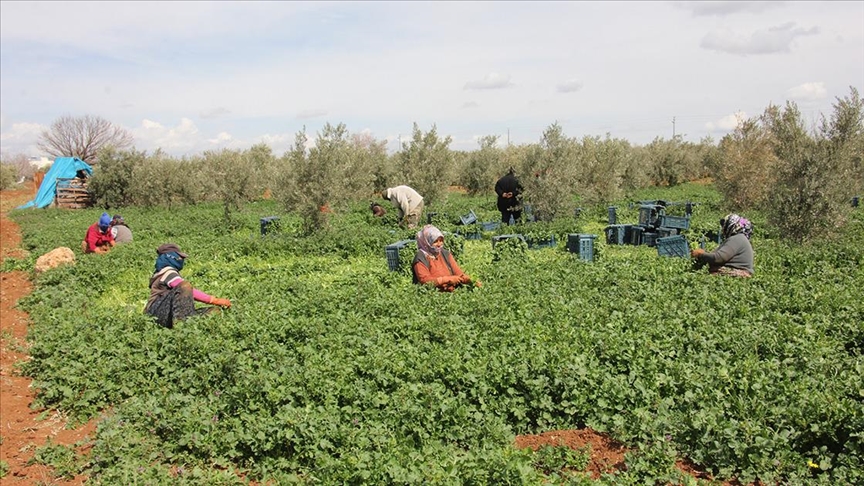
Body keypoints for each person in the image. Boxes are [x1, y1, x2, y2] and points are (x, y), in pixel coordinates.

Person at [144, 243, 232, 328]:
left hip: (165, 314)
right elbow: (185, 289)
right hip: (156, 313)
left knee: (214, 311)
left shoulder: (163, 272)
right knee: (184, 286)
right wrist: (214, 300)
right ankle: (181, 326)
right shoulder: (168, 272)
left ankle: (185, 323)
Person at [412, 225, 481, 292]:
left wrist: (471, 280)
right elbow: (425, 281)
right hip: (433, 294)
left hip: (451, 290)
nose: (439, 244)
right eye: (435, 241)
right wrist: (446, 279)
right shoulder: (421, 257)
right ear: (426, 242)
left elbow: (458, 273)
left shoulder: (445, 253)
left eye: (441, 241)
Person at [691, 213, 754, 277]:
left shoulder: (737, 239)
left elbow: (719, 258)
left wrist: (701, 254)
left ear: (731, 226)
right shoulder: (739, 238)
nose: (723, 229)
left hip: (735, 274)